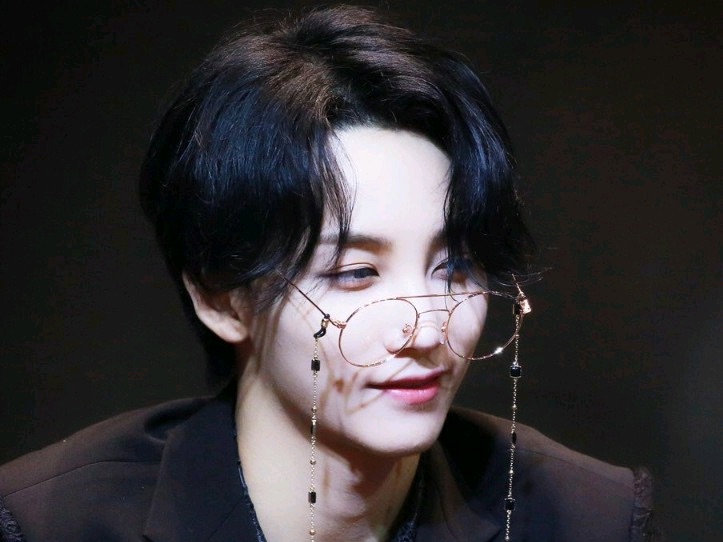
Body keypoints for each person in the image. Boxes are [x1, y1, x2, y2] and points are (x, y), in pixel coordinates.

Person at [0, 5, 660, 542]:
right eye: (356, 273)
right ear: (220, 297)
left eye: (454, 266)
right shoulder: (53, 522)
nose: (426, 329)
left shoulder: (584, 516)